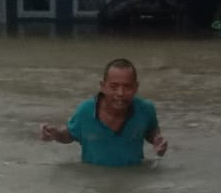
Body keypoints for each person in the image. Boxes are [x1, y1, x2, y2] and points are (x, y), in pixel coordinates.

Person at [40, 59, 168, 166]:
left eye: (127, 87)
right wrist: (55, 133)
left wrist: (157, 141)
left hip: (133, 178)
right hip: (94, 179)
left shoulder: (146, 110)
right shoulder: (86, 111)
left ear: (136, 87)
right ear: (103, 86)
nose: (120, 93)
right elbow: (69, 134)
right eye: (114, 87)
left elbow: (151, 131)